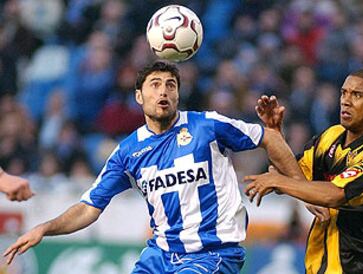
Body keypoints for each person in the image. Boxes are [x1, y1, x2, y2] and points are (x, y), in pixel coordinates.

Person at [3, 61, 300, 274]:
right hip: (160, 257)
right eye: (155, 85)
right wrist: (44, 227)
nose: (164, 92)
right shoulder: (128, 152)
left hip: (213, 254)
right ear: (139, 96)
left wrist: (301, 187)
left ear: (178, 95)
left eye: (171, 86)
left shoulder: (207, 125)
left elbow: (268, 138)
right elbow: (89, 207)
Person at [245, 69, 363, 273]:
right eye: (344, 93)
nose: (346, 101)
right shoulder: (331, 136)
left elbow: (336, 194)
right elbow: (291, 174)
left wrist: (280, 182)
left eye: (357, 95)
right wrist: (274, 134)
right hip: (325, 267)